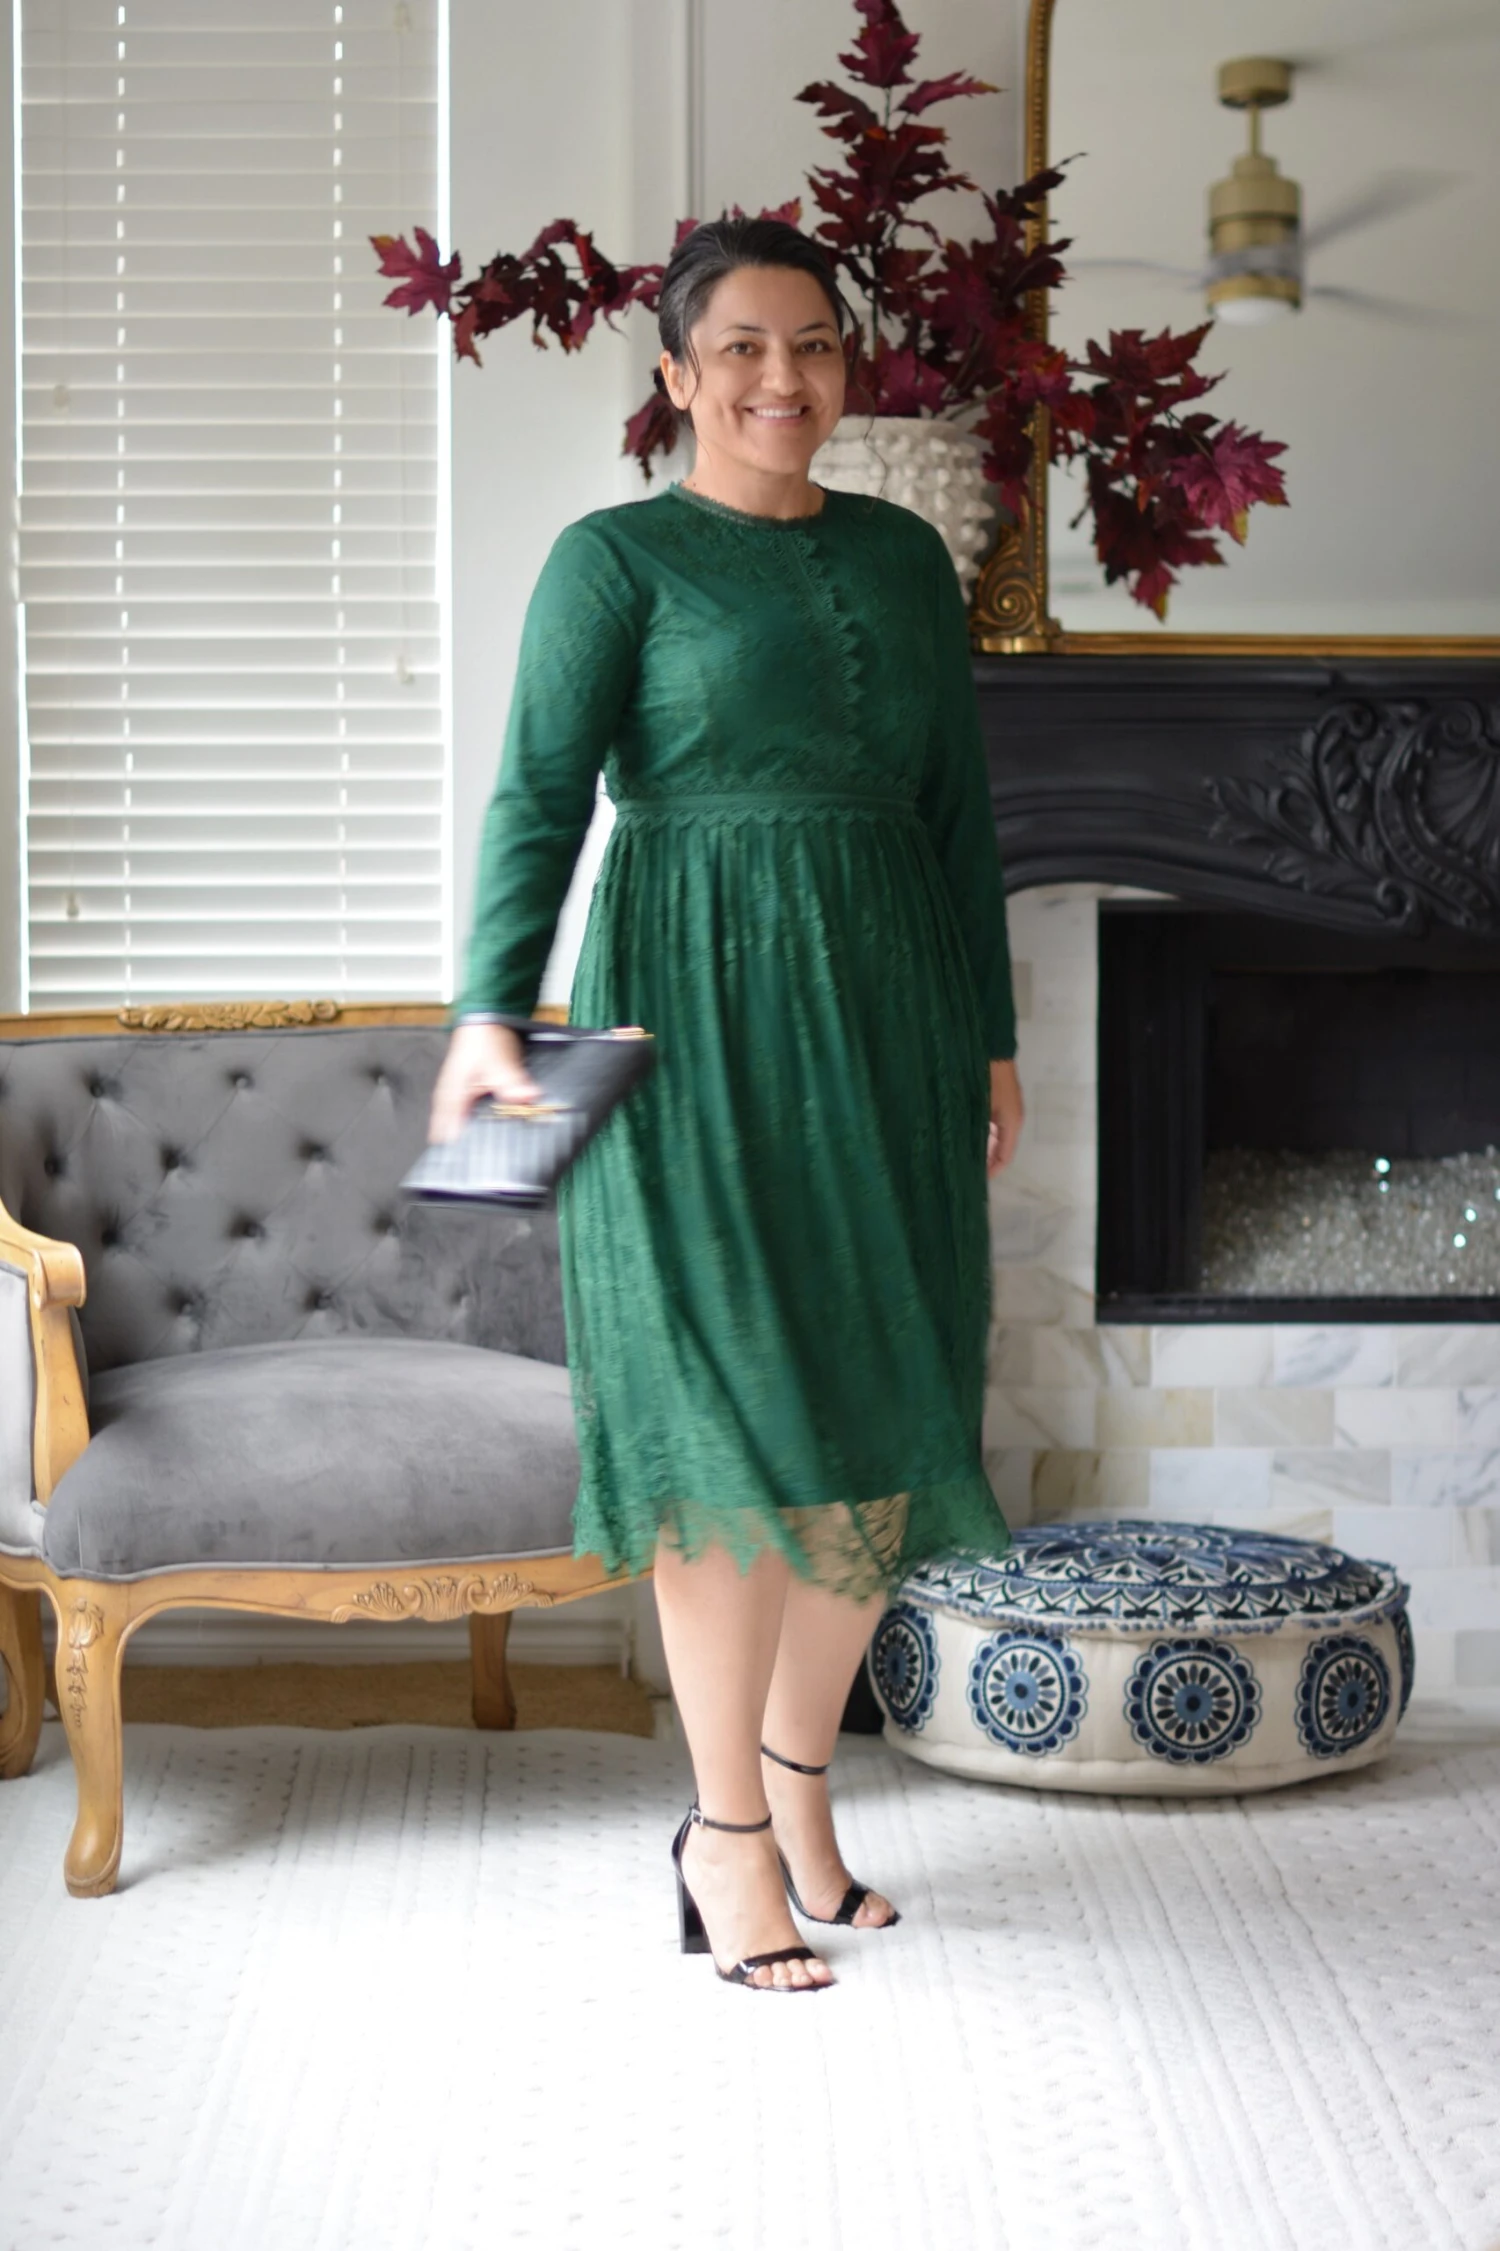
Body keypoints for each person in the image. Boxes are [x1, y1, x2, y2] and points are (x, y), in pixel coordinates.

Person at [429, 216, 1025, 1992]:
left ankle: (803, 1795)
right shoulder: (612, 560)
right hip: (684, 1020)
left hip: (892, 1021)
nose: (786, 376)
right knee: (721, 1430)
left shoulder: (908, 560)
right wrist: (489, 1011)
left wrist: (990, 1037)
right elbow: (538, 797)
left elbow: (959, 812)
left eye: (816, 343)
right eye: (745, 347)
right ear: (679, 375)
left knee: (876, 1414)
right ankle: (726, 1835)